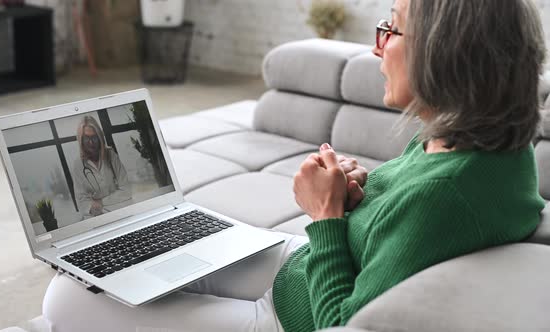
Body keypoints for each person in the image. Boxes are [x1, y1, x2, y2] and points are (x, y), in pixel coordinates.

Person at [44, 0, 547, 331]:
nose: (377, 45)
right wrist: (358, 192)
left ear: (445, 55)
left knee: (64, 301)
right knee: (132, 257)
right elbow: (405, 209)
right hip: (302, 265)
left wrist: (326, 215)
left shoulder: (447, 196)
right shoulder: (484, 143)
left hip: (291, 317)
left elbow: (339, 324)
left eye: (391, 29)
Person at [72, 115, 132, 220]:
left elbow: (126, 189)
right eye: (87, 138)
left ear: (99, 137)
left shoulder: (110, 155)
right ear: (81, 140)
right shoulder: (78, 164)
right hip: (97, 217)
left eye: (94, 137)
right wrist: (91, 206)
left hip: (119, 211)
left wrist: (100, 202)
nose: (91, 143)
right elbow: (81, 201)